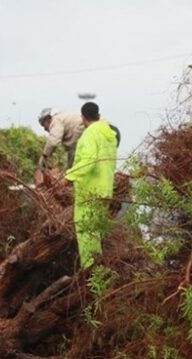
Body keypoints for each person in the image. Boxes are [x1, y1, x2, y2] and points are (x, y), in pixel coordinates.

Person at [65, 102, 117, 269]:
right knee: (97, 235)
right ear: (98, 115)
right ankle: (100, 272)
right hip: (105, 190)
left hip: (89, 192)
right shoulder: (109, 135)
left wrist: (69, 177)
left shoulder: (90, 134)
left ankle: (92, 273)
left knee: (86, 234)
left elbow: (88, 160)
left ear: (82, 118)